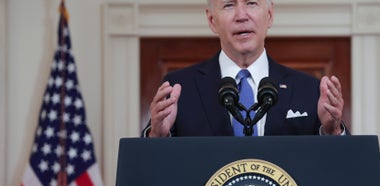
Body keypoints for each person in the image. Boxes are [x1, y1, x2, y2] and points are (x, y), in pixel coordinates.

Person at [144, 0, 347, 137]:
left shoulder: (309, 89)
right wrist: (158, 136)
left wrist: (332, 131)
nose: (241, 15)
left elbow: (340, 170)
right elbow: (148, 172)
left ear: (269, 15)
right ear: (211, 20)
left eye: (251, 3)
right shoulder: (181, 88)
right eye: (229, 5)